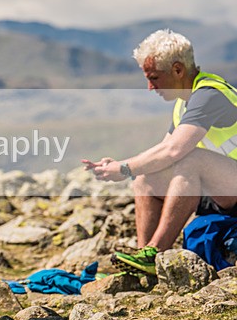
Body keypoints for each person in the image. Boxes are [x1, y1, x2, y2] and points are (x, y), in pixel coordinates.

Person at [83, 29, 237, 275]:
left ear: (178, 70)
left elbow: (174, 150)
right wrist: (123, 165)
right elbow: (161, 154)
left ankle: (156, 251)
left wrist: (123, 168)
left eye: (154, 77)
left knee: (190, 160)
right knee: (146, 176)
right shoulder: (184, 102)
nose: (149, 87)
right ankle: (146, 262)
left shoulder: (209, 95)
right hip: (223, 188)